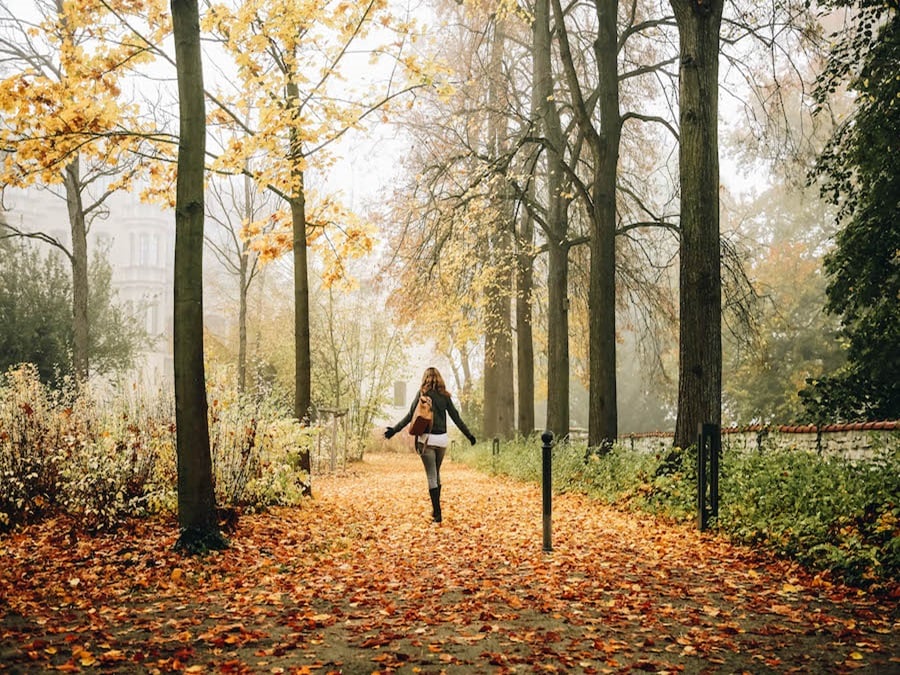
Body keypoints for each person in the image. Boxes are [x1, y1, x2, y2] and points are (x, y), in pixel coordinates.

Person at [384, 367, 476, 523]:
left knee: (432, 476)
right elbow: (456, 418)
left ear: (425, 378)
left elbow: (409, 416)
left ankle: (438, 514)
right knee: (436, 474)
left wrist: (394, 430)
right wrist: (469, 435)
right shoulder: (445, 397)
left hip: (426, 441)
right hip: (442, 441)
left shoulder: (422, 395)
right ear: (439, 379)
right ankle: (435, 510)